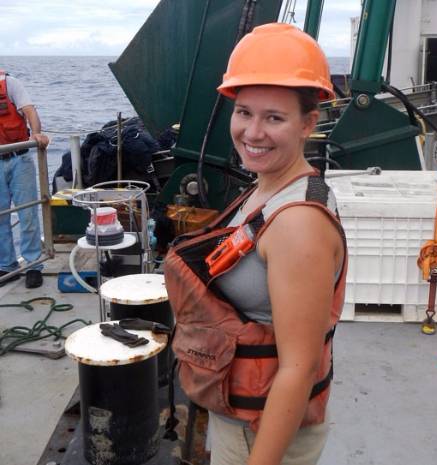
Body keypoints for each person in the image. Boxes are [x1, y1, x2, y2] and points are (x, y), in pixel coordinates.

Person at [164, 23, 347, 465]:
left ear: (309, 123)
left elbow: (298, 368)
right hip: (240, 416)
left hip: (262, 434)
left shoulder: (298, 225)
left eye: (275, 117)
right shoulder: (271, 185)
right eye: (244, 112)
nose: (253, 132)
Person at [0, 70, 49, 288]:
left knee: (27, 213)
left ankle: (33, 266)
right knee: (1, 216)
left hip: (19, 158)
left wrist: (35, 135)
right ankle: (6, 265)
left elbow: (30, 110)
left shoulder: (9, 83)